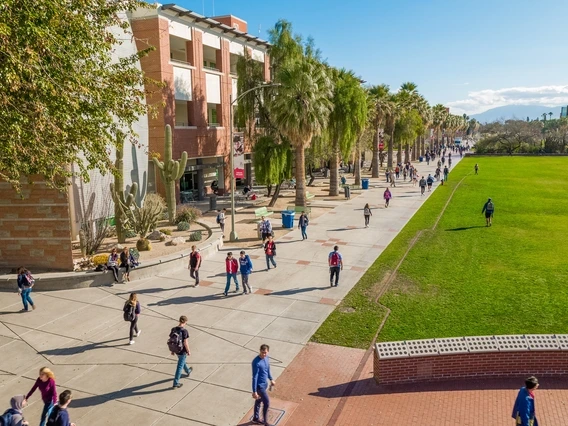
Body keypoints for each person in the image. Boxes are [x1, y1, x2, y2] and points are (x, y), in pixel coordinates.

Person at [251, 344, 275, 426]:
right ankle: (265, 422)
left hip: (265, 384)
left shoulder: (267, 359)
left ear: (268, 352)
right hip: (259, 386)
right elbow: (254, 377)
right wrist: (254, 391)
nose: (264, 354)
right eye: (262, 352)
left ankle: (255, 418)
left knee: (258, 401)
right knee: (267, 402)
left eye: (265, 352)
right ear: (260, 351)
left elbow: (267, 370)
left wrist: (271, 379)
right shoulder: (256, 362)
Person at [169, 316, 192, 389]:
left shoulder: (173, 329)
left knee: (182, 361)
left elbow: (172, 340)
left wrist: (172, 350)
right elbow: (185, 342)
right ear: (185, 322)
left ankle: (188, 371)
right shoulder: (184, 331)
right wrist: (188, 351)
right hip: (182, 351)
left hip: (176, 350)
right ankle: (175, 383)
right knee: (179, 367)